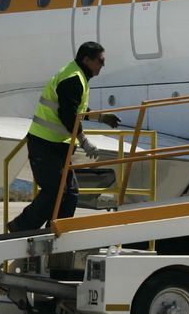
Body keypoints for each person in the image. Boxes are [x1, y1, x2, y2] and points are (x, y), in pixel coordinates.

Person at [7, 42, 120, 233]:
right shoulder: (73, 78)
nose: (103, 65)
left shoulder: (78, 76)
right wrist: (84, 141)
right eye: (100, 60)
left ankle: (57, 232)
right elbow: (67, 115)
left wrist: (101, 117)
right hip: (45, 144)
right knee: (55, 191)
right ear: (87, 59)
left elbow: (77, 110)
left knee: (70, 193)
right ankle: (21, 227)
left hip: (57, 146)